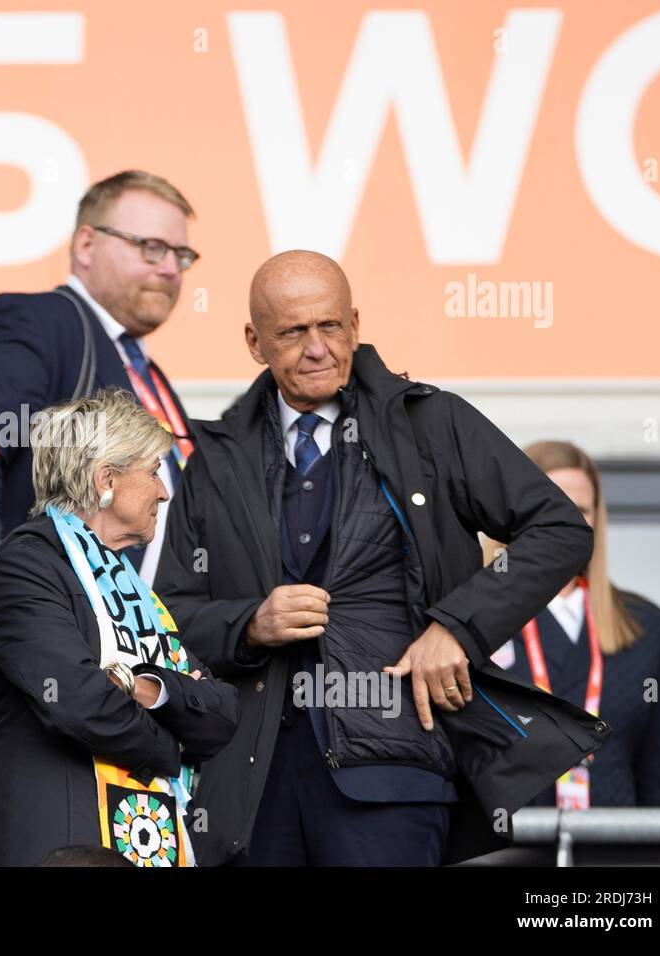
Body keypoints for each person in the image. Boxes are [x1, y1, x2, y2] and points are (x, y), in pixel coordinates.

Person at [155, 250, 608, 866]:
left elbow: (558, 528)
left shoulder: (430, 423)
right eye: (292, 332)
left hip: (394, 771)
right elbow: (174, 616)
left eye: (331, 326)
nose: (317, 348)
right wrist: (249, 625)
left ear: (356, 325)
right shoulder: (216, 457)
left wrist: (456, 626)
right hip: (250, 788)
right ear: (254, 342)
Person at [0, 389, 239, 867]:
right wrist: (172, 746)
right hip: (58, 846)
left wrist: (149, 688)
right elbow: (78, 702)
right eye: (154, 472)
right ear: (106, 480)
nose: (164, 491)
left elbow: (220, 713)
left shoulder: (135, 590)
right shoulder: (28, 564)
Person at [0, 170, 198, 581]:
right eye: (153, 248)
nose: (172, 269)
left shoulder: (142, 367)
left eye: (182, 255)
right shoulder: (37, 321)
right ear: (86, 244)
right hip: (52, 621)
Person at [487, 441, 660, 809]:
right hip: (508, 852)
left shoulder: (646, 628)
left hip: (616, 856)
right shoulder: (469, 623)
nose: (565, 522)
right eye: (549, 506)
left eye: (580, 510)